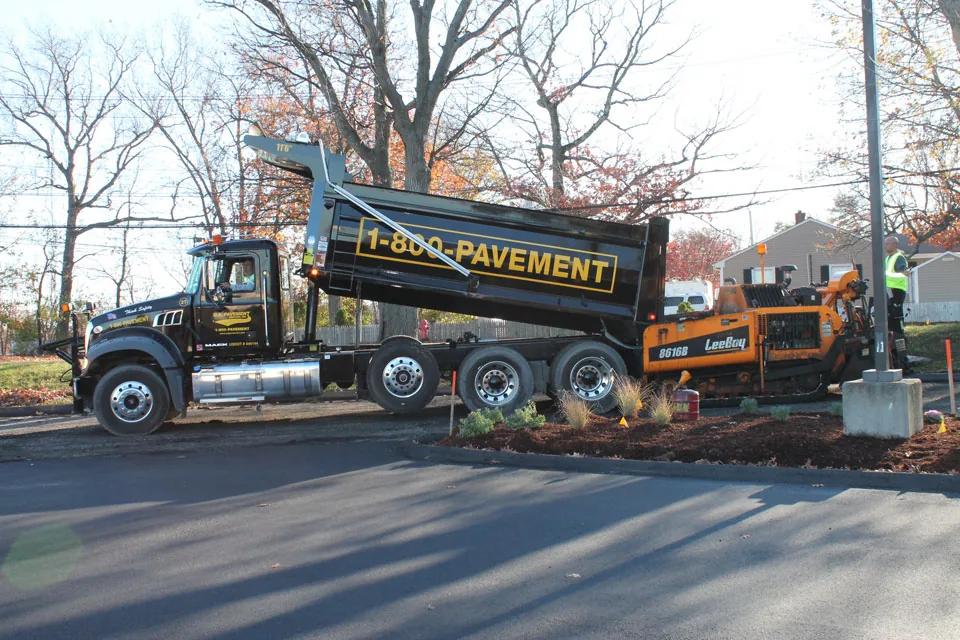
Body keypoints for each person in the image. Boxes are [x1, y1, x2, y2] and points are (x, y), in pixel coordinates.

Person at [884, 235, 909, 335]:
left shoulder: (898, 257)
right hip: (889, 290)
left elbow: (902, 267)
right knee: (889, 315)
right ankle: (891, 337)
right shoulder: (887, 259)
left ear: (894, 245)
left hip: (897, 290)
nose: (885, 246)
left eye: (887, 244)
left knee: (895, 315)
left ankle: (898, 336)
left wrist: (904, 270)